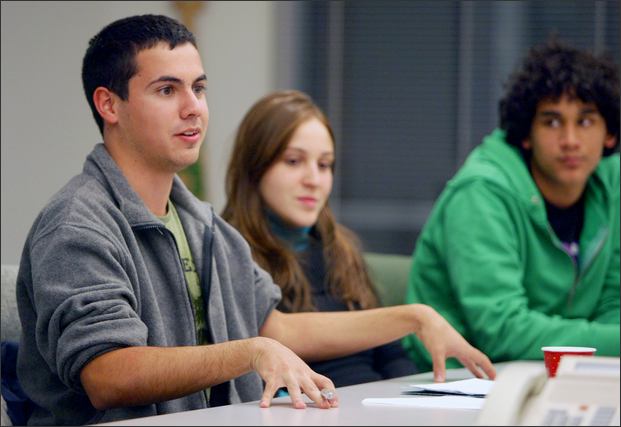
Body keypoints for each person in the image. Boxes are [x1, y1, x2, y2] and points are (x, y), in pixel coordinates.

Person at [15, 14, 494, 426]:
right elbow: (107, 374)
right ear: (108, 104)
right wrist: (249, 351)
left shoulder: (202, 224)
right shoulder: (77, 225)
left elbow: (278, 329)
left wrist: (413, 317)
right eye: (167, 89)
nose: (193, 108)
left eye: (199, 88)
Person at [403, 39, 620, 372]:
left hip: (559, 373)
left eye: (586, 121)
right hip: (452, 381)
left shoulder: (612, 182)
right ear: (526, 134)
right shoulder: (481, 192)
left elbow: (613, 304)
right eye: (551, 121)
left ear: (609, 134)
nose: (571, 140)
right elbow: (501, 331)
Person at [222, 90, 419, 388]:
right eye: (293, 161)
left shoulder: (341, 248)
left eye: (324, 165)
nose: (313, 179)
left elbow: (392, 355)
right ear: (255, 167)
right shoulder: (230, 253)